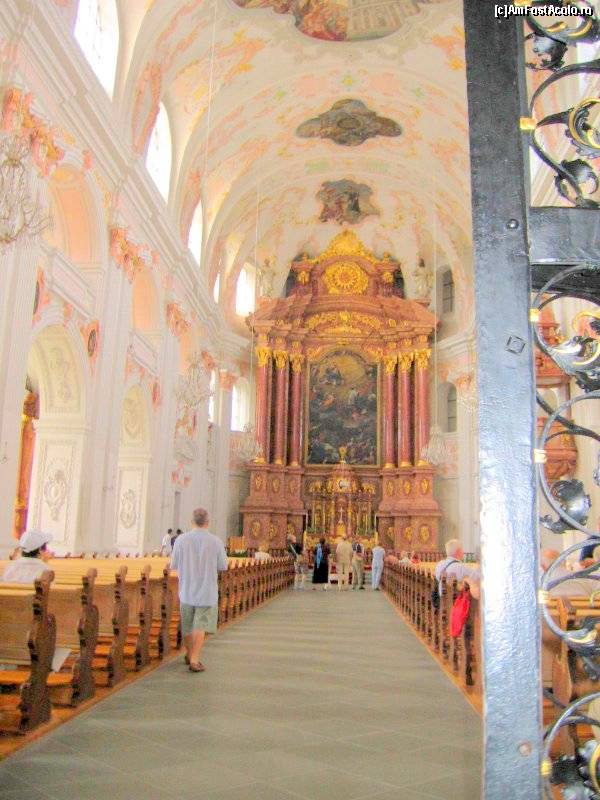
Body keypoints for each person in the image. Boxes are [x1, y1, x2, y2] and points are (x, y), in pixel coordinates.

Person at [170, 508, 228, 673]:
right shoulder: (216, 541)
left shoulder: (181, 540)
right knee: (200, 626)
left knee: (187, 625)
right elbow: (223, 566)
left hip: (187, 589)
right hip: (207, 590)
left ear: (192, 522)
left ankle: (189, 654)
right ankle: (194, 660)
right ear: (207, 523)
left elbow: (174, 564)